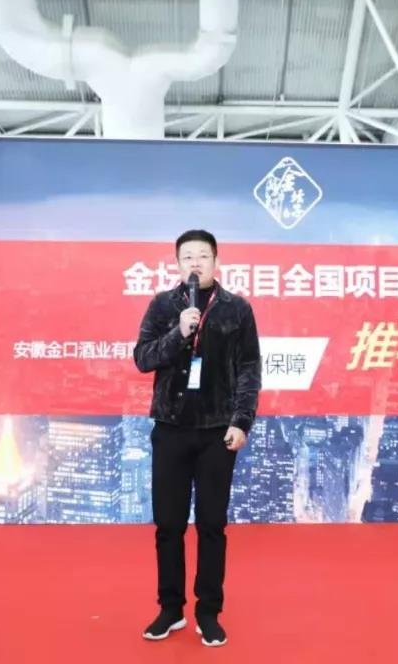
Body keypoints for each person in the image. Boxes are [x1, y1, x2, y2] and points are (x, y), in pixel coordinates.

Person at [133, 229, 261, 647]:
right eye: (187, 256)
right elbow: (143, 358)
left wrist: (241, 421)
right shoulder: (163, 305)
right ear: (176, 263)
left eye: (203, 256)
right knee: (168, 525)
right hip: (170, 429)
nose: (195, 263)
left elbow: (249, 369)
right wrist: (179, 333)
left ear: (216, 261)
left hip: (216, 432)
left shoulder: (237, 309)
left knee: (211, 525)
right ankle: (171, 609)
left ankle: (208, 612)